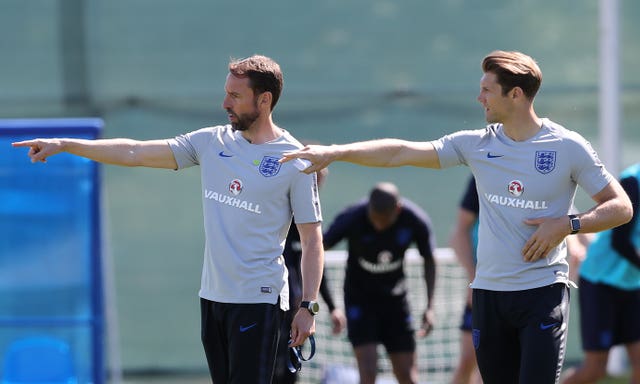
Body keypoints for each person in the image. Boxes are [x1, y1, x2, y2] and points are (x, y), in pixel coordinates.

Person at [280, 50, 633, 383]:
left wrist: (569, 225)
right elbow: (400, 152)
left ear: (515, 95)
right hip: (489, 296)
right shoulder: (476, 144)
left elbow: (621, 206)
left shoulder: (567, 146)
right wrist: (337, 152)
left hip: (543, 292)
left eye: (486, 90)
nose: (479, 98)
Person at [13, 54, 324, 384]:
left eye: (235, 96)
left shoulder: (295, 160)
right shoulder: (211, 142)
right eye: (226, 93)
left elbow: (312, 239)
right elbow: (135, 151)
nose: (224, 103)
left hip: (259, 299)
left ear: (264, 100)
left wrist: (308, 306)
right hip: (213, 296)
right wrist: (66, 145)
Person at [322, 182, 437, 384]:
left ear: (398, 210)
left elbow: (429, 260)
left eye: (384, 221)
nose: (378, 225)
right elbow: (318, 252)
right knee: (367, 373)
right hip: (360, 301)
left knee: (408, 376)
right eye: (374, 219)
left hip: (396, 301)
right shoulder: (352, 217)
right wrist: (331, 306)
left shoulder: (414, 220)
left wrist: (430, 307)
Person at [561, 163, 640, 384]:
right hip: (600, 281)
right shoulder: (633, 180)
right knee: (595, 369)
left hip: (632, 283)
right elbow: (620, 242)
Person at [274, 167, 347, 384]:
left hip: (296, 308)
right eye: (315, 179)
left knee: (290, 366)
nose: (318, 186)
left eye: (321, 180)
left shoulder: (309, 220)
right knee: (266, 365)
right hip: (268, 302)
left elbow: (314, 266)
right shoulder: (277, 213)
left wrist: (330, 306)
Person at [448, 176, 482, 384]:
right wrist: (473, 277)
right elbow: (458, 234)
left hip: (523, 288)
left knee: (499, 364)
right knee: (468, 360)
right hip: (484, 286)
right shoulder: (482, 176)